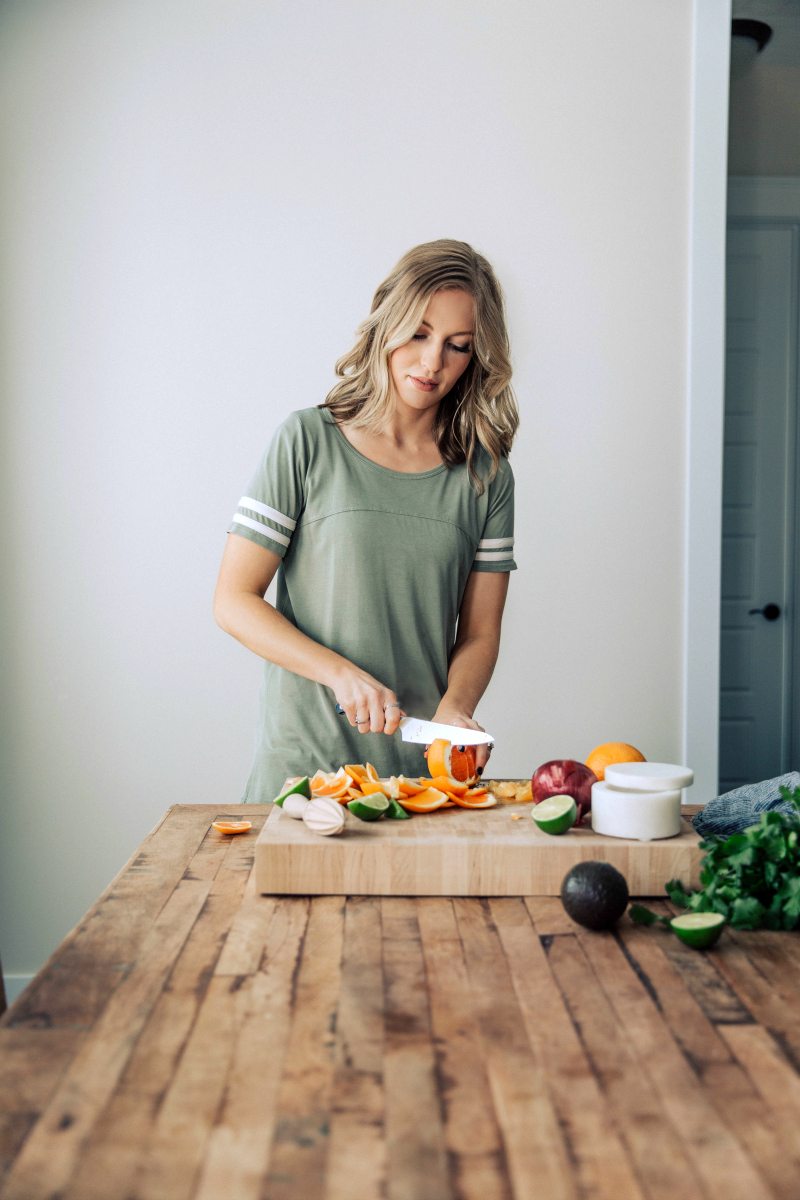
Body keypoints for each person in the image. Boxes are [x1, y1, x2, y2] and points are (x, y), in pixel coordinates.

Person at [214, 239, 519, 803]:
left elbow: (479, 632)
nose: (433, 363)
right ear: (387, 322)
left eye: (457, 346)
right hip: (302, 775)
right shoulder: (307, 441)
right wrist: (339, 674)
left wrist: (455, 710)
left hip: (420, 782)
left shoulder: (486, 477)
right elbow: (234, 600)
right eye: (420, 333)